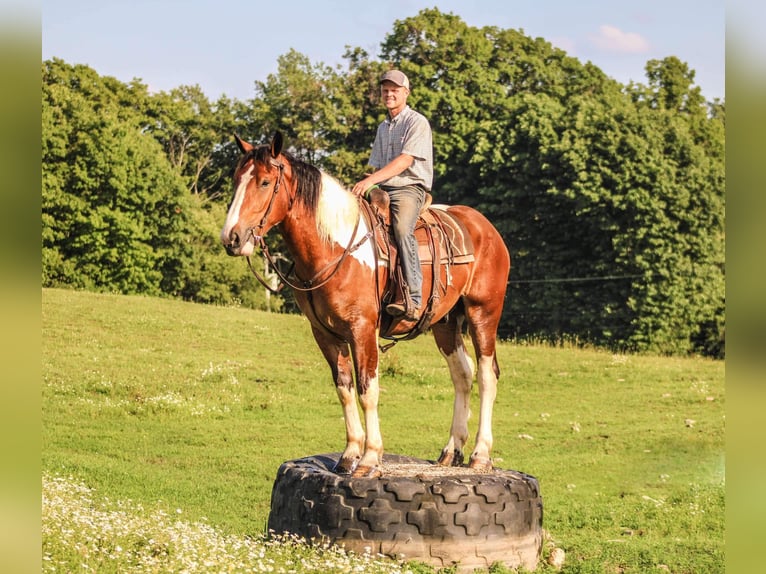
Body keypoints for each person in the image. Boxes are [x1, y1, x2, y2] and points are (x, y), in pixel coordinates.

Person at [352, 70, 434, 322]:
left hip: (409, 188)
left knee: (400, 228)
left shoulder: (416, 122)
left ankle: (414, 296)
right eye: (385, 90)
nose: (389, 94)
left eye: (395, 90)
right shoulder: (383, 127)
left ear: (406, 93)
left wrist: (370, 181)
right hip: (384, 187)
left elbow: (404, 161)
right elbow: (378, 168)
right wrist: (365, 189)